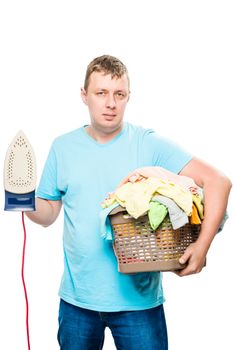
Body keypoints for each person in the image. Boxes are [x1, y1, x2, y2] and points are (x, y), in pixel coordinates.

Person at [26, 54, 232, 350]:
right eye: (101, 93)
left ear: (128, 97)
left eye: (119, 94)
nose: (110, 103)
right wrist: (22, 198)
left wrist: (202, 247)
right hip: (77, 301)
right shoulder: (62, 147)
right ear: (84, 96)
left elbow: (218, 182)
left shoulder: (147, 143)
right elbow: (48, 214)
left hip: (139, 306)